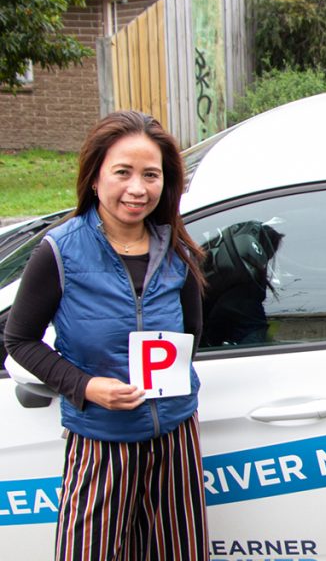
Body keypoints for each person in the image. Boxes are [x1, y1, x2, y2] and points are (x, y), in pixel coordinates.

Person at [4, 111, 210, 560]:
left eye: (151, 175)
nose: (138, 189)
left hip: (173, 439)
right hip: (100, 444)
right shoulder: (60, 250)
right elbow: (18, 341)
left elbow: (191, 336)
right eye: (123, 172)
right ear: (96, 177)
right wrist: (86, 386)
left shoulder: (177, 250)